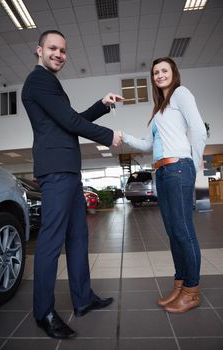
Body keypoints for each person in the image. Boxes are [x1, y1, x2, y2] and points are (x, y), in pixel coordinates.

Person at [21, 30, 124, 339]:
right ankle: (44, 312)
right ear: (39, 50)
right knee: (51, 243)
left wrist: (101, 105)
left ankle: (82, 299)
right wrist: (108, 136)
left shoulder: (50, 84)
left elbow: (69, 118)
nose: (59, 54)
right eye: (53, 48)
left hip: (69, 171)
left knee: (78, 237)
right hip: (56, 171)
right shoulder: (38, 80)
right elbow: (70, 122)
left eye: (63, 50)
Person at [122, 57, 207, 313]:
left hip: (179, 168)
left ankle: (192, 291)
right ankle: (180, 284)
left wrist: (194, 163)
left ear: (173, 73)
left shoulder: (181, 93)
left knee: (183, 231)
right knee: (172, 232)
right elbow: (148, 145)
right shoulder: (159, 110)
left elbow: (199, 130)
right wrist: (123, 136)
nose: (159, 75)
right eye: (156, 72)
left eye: (164, 71)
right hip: (162, 171)